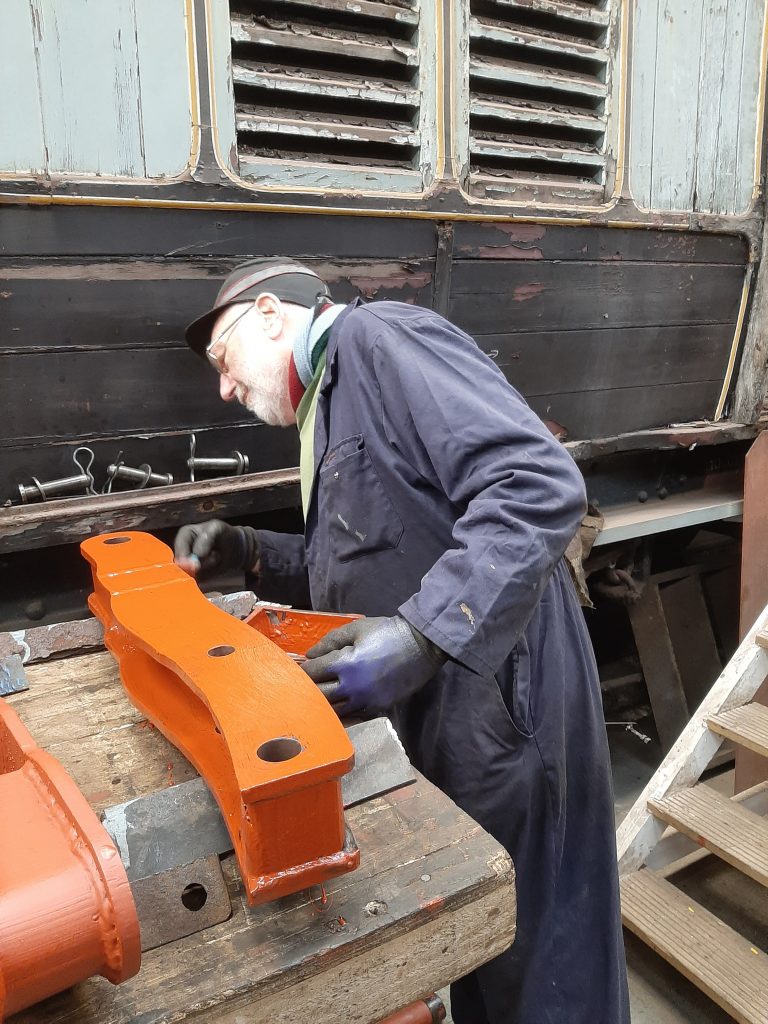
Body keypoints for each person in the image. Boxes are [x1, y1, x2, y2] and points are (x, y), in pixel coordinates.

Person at [175, 259, 630, 1024]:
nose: (223, 389)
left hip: (505, 702)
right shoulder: (333, 399)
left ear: (269, 313)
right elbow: (380, 551)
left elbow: (536, 484)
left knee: (541, 955)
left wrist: (420, 639)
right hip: (459, 702)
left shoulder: (381, 338)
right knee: (486, 938)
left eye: (222, 361)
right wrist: (251, 551)